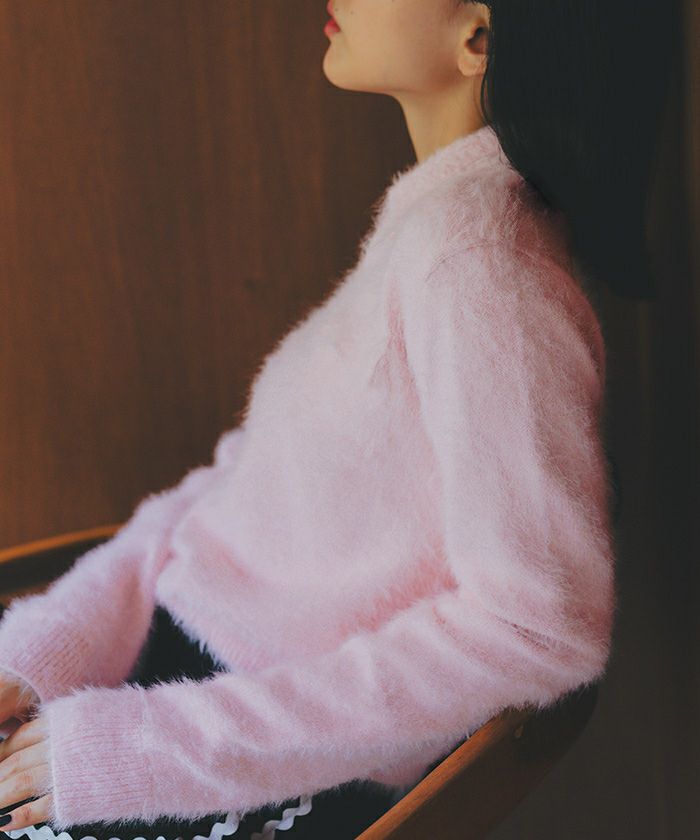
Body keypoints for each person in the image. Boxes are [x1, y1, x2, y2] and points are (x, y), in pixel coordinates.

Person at [0, 0, 672, 837]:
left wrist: (150, 750)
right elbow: (230, 494)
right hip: (157, 683)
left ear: (478, 36)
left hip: (234, 751)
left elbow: (534, 624)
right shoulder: (439, 231)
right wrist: (52, 646)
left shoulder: (483, 266)